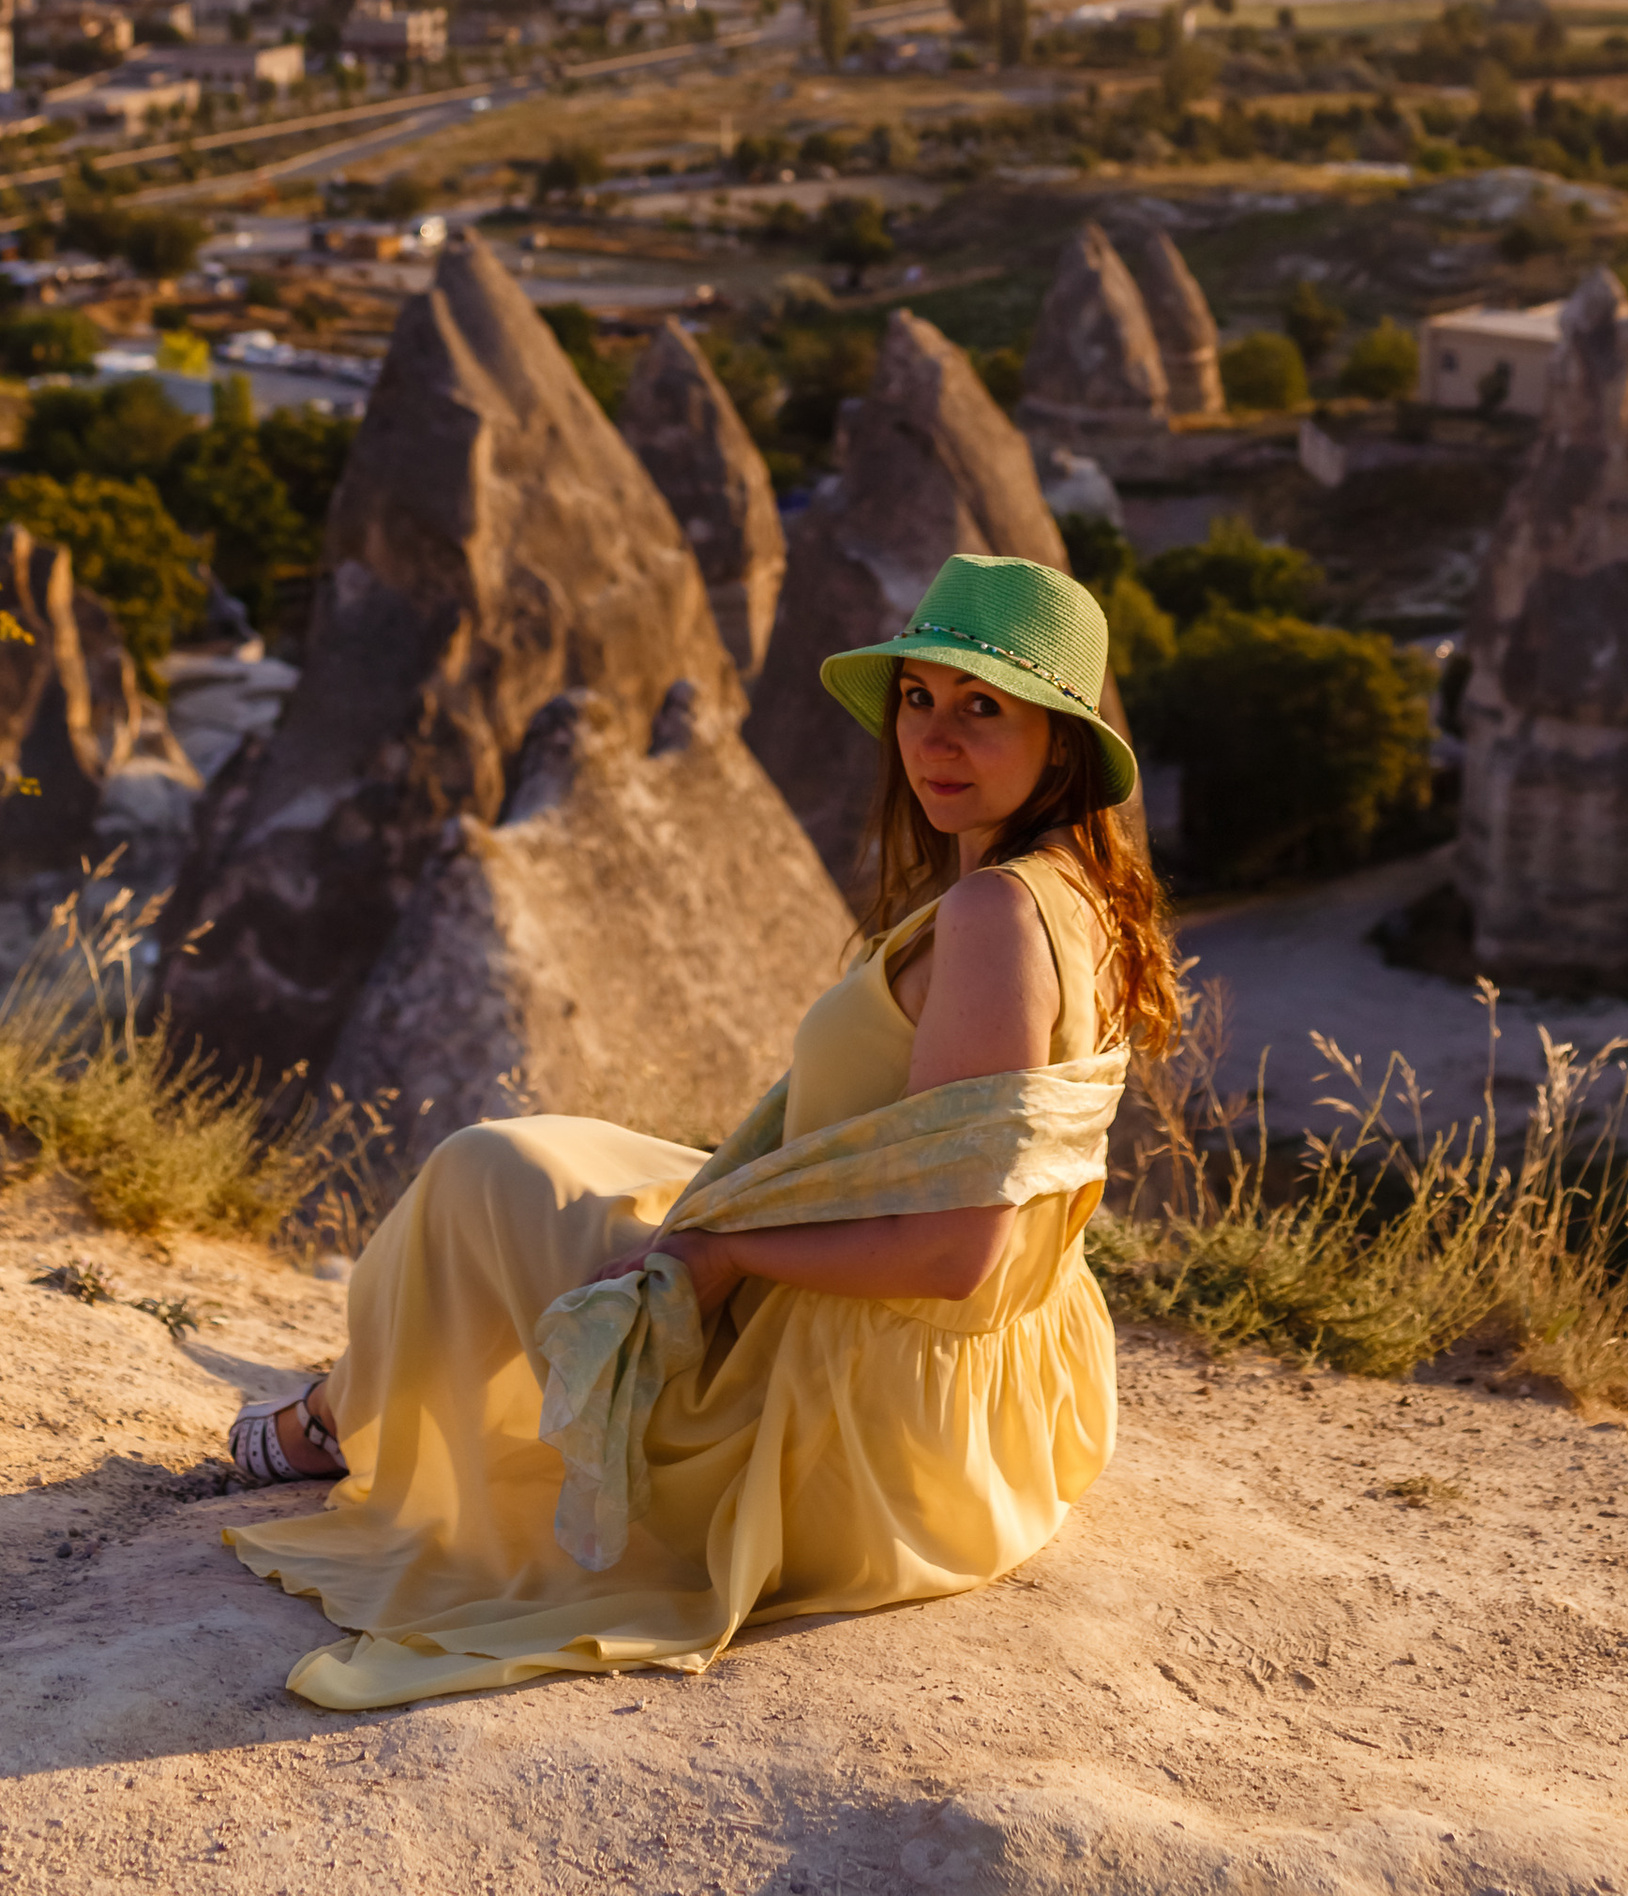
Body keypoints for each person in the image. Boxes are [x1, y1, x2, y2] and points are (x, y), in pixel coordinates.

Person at [220, 551, 1181, 1709]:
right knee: (569, 1155)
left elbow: (956, 1250)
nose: (933, 738)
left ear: (1060, 744)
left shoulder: (993, 917)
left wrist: (720, 1252)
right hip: (1003, 1413)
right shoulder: (1076, 893)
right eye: (918, 698)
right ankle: (347, 1401)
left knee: (483, 1170)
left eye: (983, 708)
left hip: (868, 1430)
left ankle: (330, 1424)